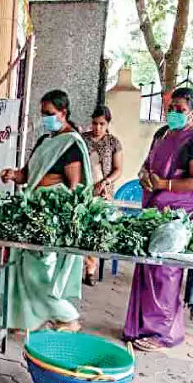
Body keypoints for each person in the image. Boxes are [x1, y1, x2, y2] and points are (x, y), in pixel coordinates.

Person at [125, 87, 193, 351]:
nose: (174, 113)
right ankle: (141, 326)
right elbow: (147, 164)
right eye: (171, 108)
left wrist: (164, 183)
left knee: (165, 271)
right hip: (154, 211)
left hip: (178, 216)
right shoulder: (162, 133)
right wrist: (144, 176)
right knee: (146, 268)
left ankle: (163, 333)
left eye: (180, 109)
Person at [0, 89, 92, 333]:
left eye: (49, 113)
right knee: (22, 266)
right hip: (31, 211)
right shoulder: (45, 141)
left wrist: (59, 216)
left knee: (37, 270)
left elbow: (73, 189)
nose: (45, 118)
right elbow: (29, 175)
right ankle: (28, 320)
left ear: (63, 113)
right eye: (42, 113)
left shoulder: (71, 144)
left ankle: (67, 317)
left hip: (50, 217)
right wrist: (14, 175)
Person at [81, 104, 123, 286]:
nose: (97, 128)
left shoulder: (113, 142)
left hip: (103, 192)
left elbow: (118, 169)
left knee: (97, 229)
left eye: (101, 124)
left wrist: (105, 182)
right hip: (83, 190)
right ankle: (77, 266)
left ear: (107, 124)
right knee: (80, 226)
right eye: (94, 123)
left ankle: (91, 269)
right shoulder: (82, 139)